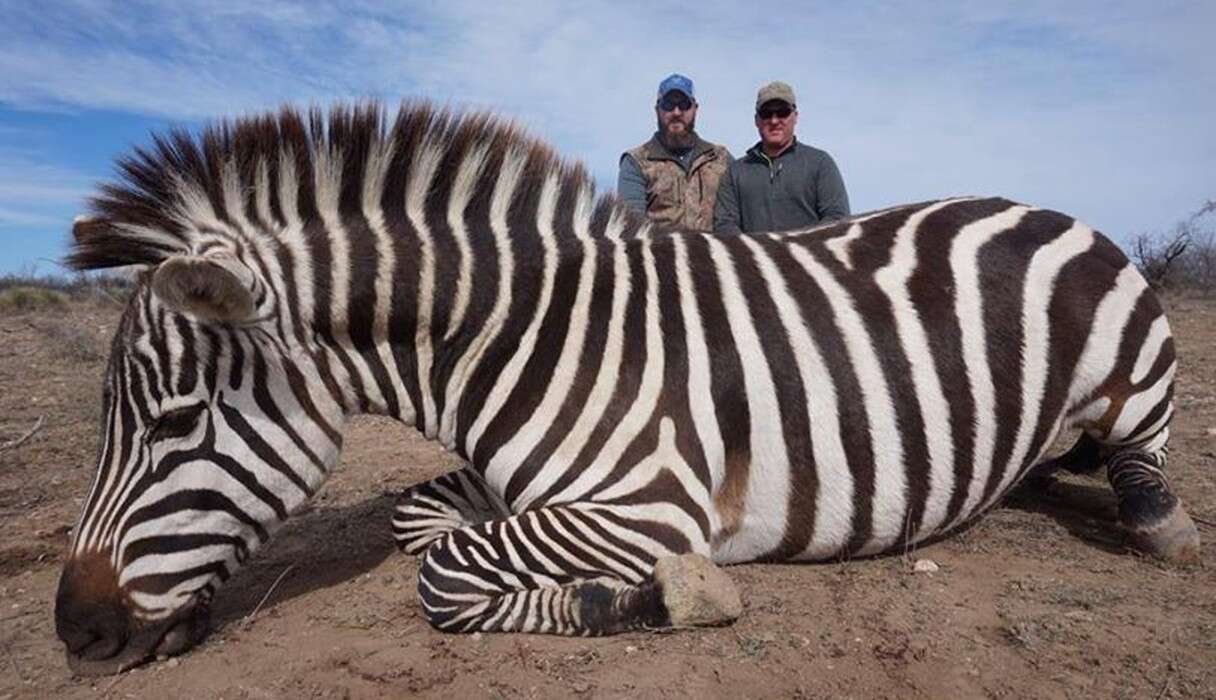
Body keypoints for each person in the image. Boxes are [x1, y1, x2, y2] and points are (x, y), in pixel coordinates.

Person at [713, 81, 850, 234]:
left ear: (795, 116)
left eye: (782, 112)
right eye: (766, 113)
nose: (774, 121)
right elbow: (725, 224)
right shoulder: (735, 172)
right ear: (756, 120)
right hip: (752, 257)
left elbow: (837, 219)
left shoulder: (820, 163)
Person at [618, 73, 732, 232]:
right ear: (657, 110)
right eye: (668, 104)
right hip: (661, 255)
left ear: (695, 109)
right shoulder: (635, 162)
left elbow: (735, 217)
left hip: (714, 254)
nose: (676, 112)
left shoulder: (721, 158)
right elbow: (630, 226)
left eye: (684, 104)